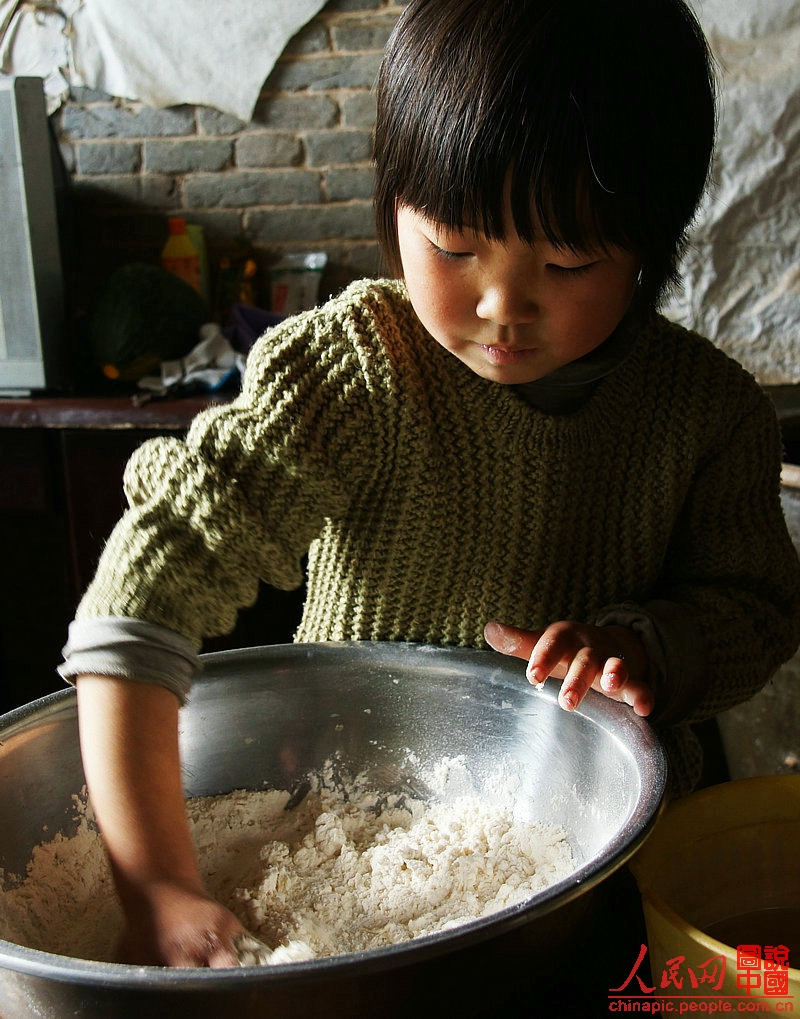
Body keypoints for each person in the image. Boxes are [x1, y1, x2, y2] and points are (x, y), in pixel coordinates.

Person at [60, 0, 800, 969]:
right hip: (344, 829)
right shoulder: (354, 370)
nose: (501, 305)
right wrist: (156, 881)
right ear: (391, 203)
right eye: (453, 246)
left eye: (567, 261)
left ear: (647, 251)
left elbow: (754, 608)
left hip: (603, 873)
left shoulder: (705, 413)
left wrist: (647, 646)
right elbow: (152, 581)